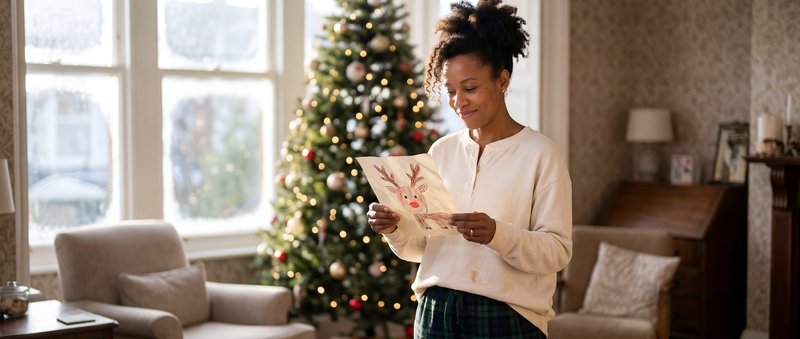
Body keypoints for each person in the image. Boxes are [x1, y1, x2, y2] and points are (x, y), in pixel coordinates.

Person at [367, 0, 572, 338]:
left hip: (507, 316)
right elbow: (421, 248)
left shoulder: (541, 154)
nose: (458, 101)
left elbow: (557, 252)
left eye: (470, 88)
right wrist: (395, 229)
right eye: (450, 91)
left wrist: (497, 234)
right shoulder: (441, 151)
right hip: (435, 313)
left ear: (502, 80)